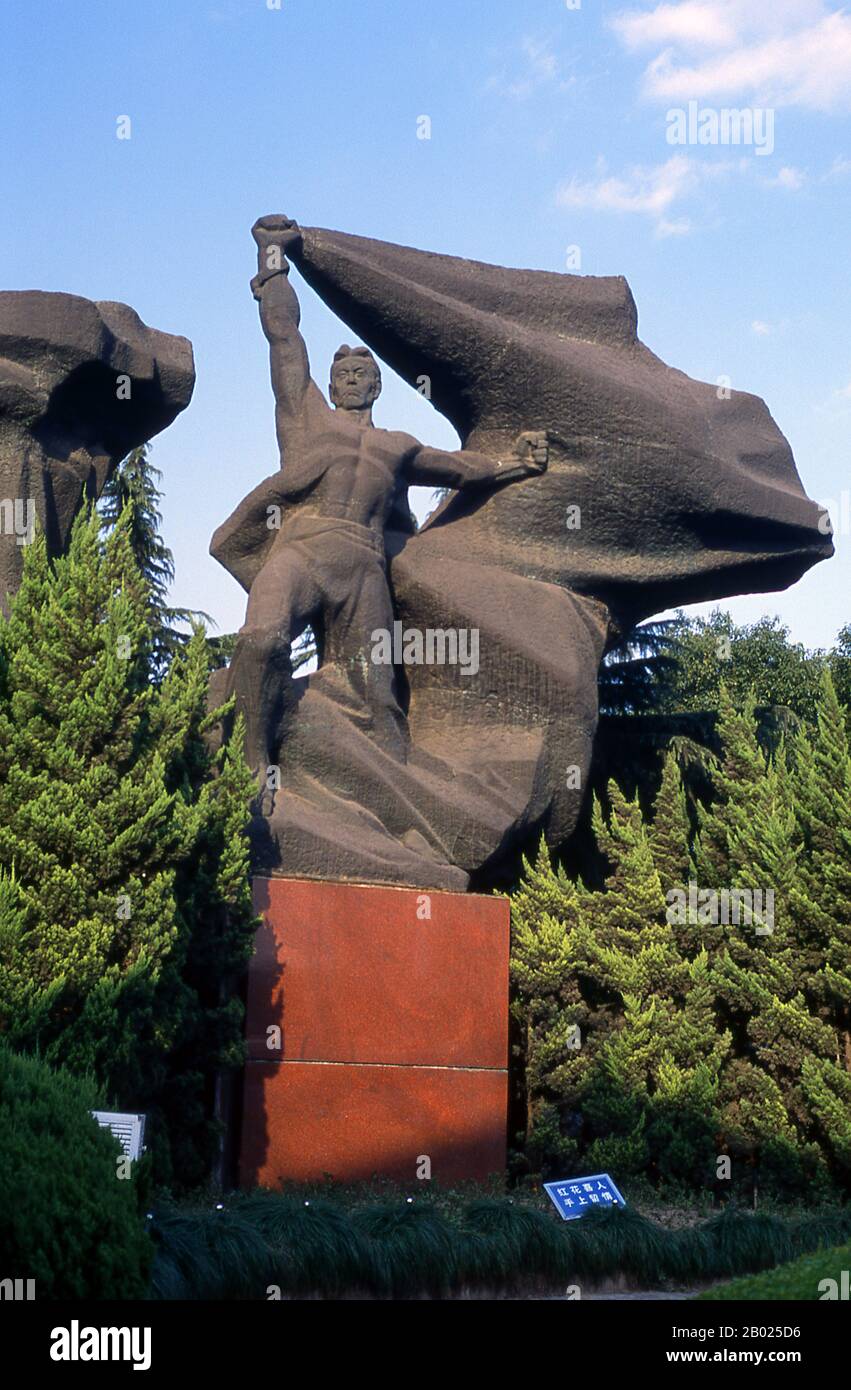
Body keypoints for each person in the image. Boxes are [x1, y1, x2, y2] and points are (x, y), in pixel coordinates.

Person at [214, 214, 548, 774]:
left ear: (376, 385)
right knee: (264, 639)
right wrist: (272, 262)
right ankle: (250, 767)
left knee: (379, 697)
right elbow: (284, 339)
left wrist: (516, 462)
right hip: (301, 553)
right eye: (340, 371)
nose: (348, 378)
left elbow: (462, 469)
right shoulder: (306, 418)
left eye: (359, 372)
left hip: (365, 568)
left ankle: (393, 803)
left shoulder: (398, 447)